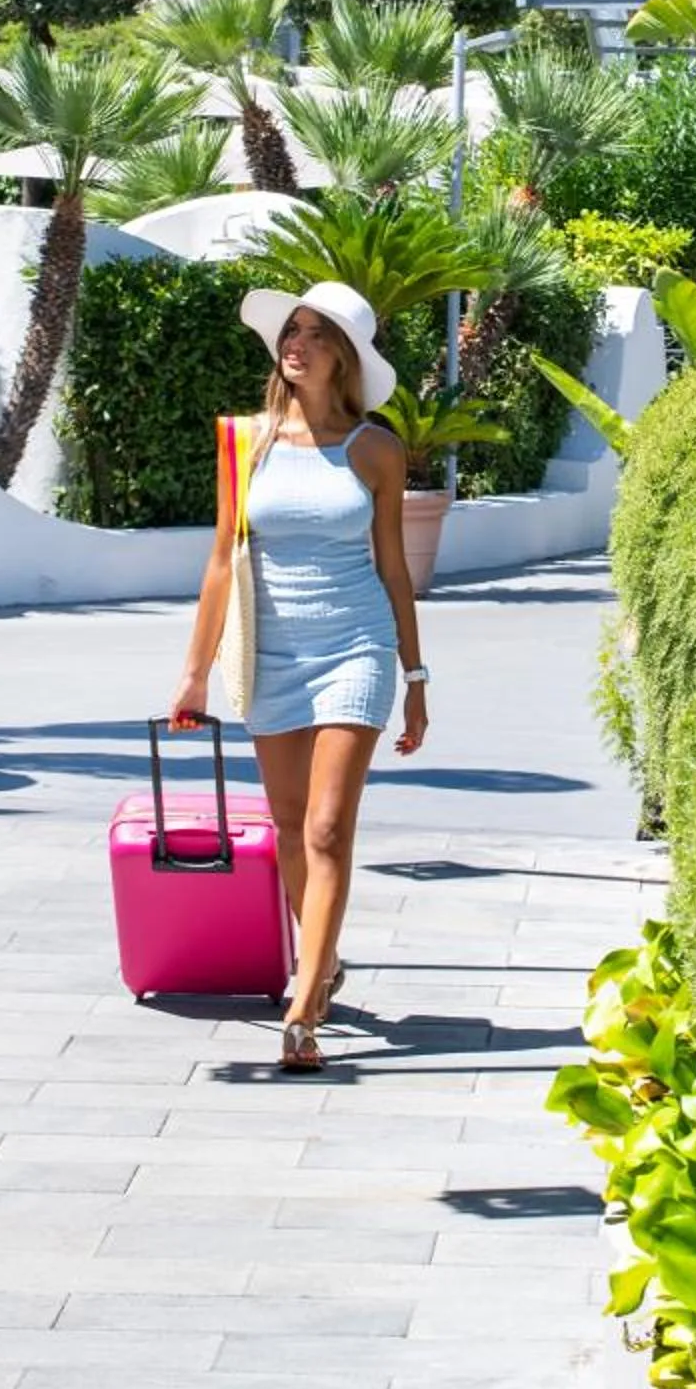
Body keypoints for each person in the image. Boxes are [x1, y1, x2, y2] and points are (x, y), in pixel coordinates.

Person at [167, 278, 428, 1070]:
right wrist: (194, 674)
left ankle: (303, 1007)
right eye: (293, 330)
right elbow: (221, 562)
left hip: (355, 647)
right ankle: (325, 957)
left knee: (325, 828)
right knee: (287, 826)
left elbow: (394, 570)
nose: (298, 344)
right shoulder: (245, 443)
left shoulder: (376, 450)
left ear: (344, 357)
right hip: (271, 654)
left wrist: (415, 677)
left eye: (317, 334)